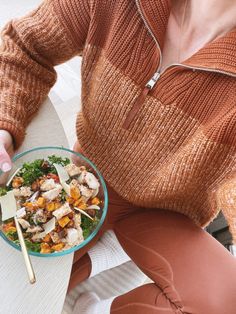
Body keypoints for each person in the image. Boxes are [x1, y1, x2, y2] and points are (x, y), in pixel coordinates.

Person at [0, 0, 236, 313]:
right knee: (23, 293)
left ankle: (94, 308)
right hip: (87, 183)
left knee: (224, 300)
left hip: (169, 216)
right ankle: (106, 253)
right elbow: (24, 45)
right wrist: (4, 124)